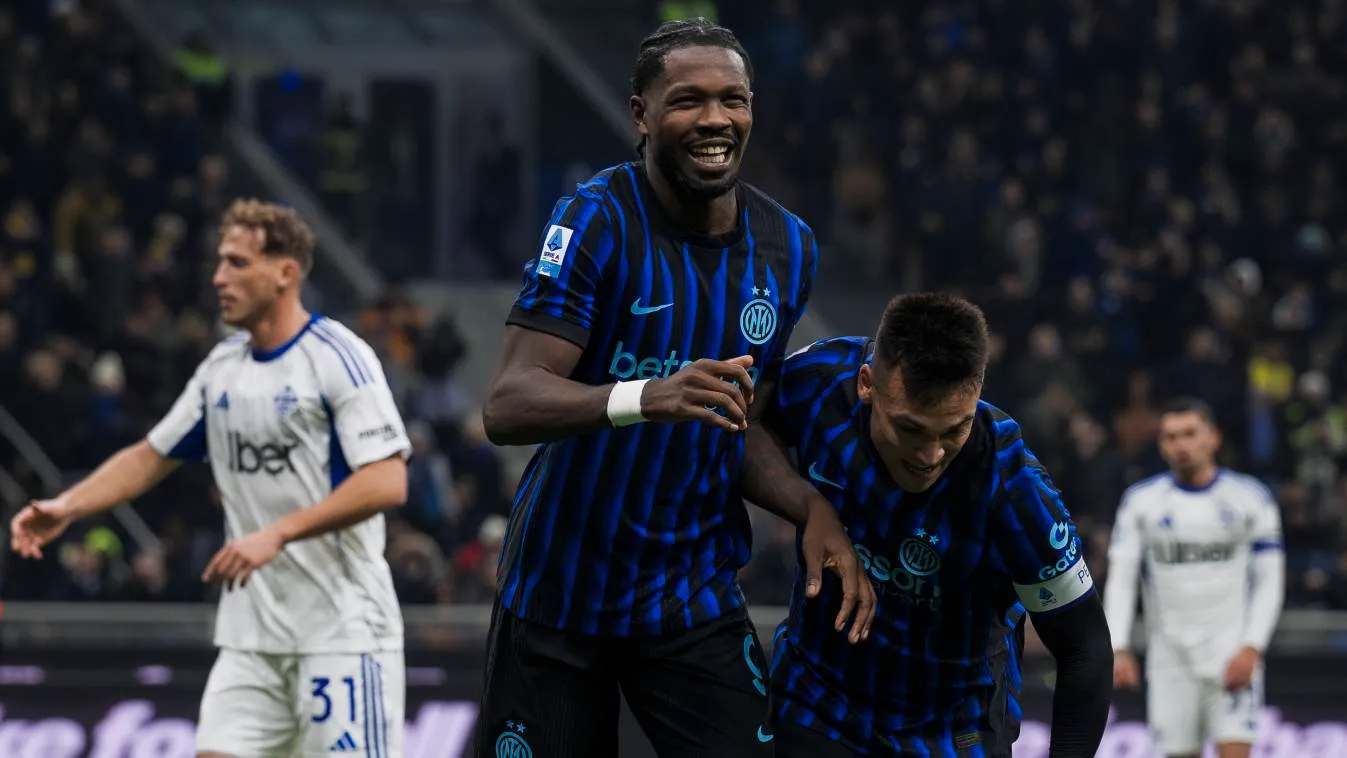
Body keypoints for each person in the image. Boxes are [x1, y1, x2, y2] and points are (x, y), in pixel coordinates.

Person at [473, 17, 874, 758]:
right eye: (688, 100)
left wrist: (809, 505)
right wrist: (644, 397)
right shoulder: (596, 218)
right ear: (642, 114)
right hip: (561, 594)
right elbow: (508, 404)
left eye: (733, 100)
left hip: (690, 597)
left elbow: (740, 423)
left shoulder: (788, 247)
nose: (715, 119)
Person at [9, 199, 411, 758]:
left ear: (285, 273)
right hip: (251, 640)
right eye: (220, 262)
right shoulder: (221, 369)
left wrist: (278, 533)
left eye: (238, 263)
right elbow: (151, 456)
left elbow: (388, 480)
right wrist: (68, 506)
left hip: (342, 634)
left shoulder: (338, 357)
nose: (219, 278)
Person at [750, 293, 1113, 756]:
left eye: (954, 429)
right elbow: (747, 427)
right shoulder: (821, 381)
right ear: (866, 384)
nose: (931, 455)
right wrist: (810, 507)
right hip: (816, 705)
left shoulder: (1015, 489)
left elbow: (1084, 648)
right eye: (911, 429)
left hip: (952, 733)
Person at [1104, 398, 1285, 758]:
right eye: (1171, 437)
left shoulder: (1250, 498)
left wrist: (1253, 646)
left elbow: (1270, 579)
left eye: (1190, 433)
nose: (1181, 445)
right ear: (1161, 444)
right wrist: (1117, 645)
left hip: (1231, 655)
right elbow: (1122, 576)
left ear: (1213, 437)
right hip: (1170, 662)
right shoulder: (1141, 502)